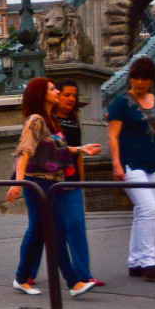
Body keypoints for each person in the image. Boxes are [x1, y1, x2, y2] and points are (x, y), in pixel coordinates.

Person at [6, 78, 102, 298]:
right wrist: (18, 183)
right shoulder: (36, 120)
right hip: (37, 182)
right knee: (56, 229)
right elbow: (24, 151)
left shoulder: (50, 120)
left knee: (39, 231)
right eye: (52, 89)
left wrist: (81, 149)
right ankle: (73, 283)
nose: (57, 91)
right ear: (41, 95)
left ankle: (21, 278)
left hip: (51, 182)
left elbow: (56, 146)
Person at [106, 57, 155, 281]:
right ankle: (149, 262)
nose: (139, 82)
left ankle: (135, 262)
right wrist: (116, 164)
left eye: (144, 78)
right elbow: (113, 136)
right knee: (149, 209)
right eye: (135, 77)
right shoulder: (120, 103)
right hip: (130, 164)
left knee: (144, 212)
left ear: (151, 80)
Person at [53, 79, 101, 289]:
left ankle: (83, 275)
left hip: (72, 180)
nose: (71, 99)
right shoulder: (49, 120)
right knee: (43, 230)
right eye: (67, 95)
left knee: (77, 227)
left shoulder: (74, 119)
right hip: (52, 181)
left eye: (74, 95)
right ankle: (25, 274)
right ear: (58, 96)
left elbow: (79, 151)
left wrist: (81, 179)